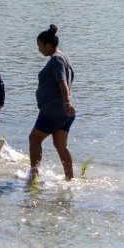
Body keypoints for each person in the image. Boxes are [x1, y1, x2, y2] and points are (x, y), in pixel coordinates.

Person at [29, 24, 76, 181]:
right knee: (61, 145)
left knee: (34, 139)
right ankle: (70, 178)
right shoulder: (63, 56)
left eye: (40, 46)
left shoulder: (56, 60)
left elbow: (62, 81)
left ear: (48, 45)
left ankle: (34, 175)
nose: (39, 50)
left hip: (54, 111)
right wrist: (67, 105)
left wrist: (67, 102)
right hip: (65, 112)